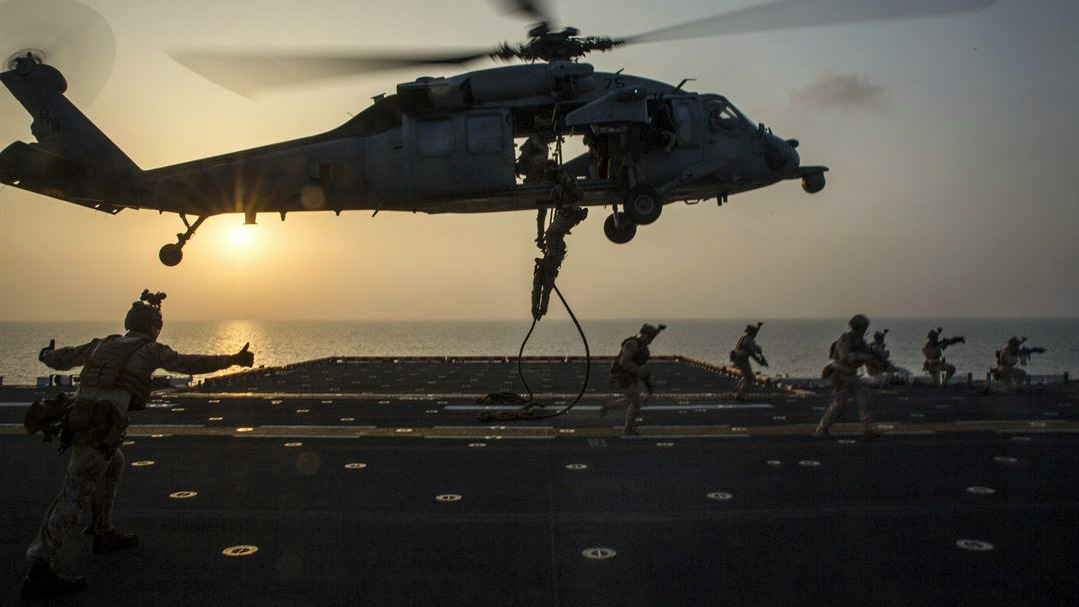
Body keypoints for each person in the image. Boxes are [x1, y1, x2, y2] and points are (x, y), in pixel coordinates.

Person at [22, 290, 255, 598]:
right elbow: (189, 363)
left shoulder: (102, 344)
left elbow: (63, 357)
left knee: (114, 463)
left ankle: (102, 532)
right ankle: (39, 568)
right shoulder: (149, 351)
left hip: (83, 423)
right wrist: (233, 359)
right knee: (73, 498)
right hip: (98, 430)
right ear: (154, 326)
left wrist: (45, 355)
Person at [815, 314, 882, 441]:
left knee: (864, 400)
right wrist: (868, 357)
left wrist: (875, 361)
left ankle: (869, 430)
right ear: (858, 327)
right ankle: (822, 429)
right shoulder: (844, 339)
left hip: (852, 375)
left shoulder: (860, 341)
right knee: (838, 405)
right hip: (839, 375)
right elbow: (846, 357)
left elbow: (866, 360)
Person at [602, 323, 666, 436]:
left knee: (629, 400)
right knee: (636, 403)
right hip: (621, 375)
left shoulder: (644, 351)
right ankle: (628, 429)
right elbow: (624, 362)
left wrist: (649, 389)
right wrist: (639, 370)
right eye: (650, 337)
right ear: (643, 334)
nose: (651, 340)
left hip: (631, 376)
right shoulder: (631, 345)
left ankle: (609, 405)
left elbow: (643, 373)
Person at [730, 322, 768, 401]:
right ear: (751, 333)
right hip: (742, 359)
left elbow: (754, 335)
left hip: (738, 358)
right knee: (749, 378)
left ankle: (737, 388)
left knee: (746, 375)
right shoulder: (749, 342)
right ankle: (740, 395)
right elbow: (753, 354)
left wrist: (758, 327)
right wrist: (761, 362)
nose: (755, 334)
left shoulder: (744, 338)